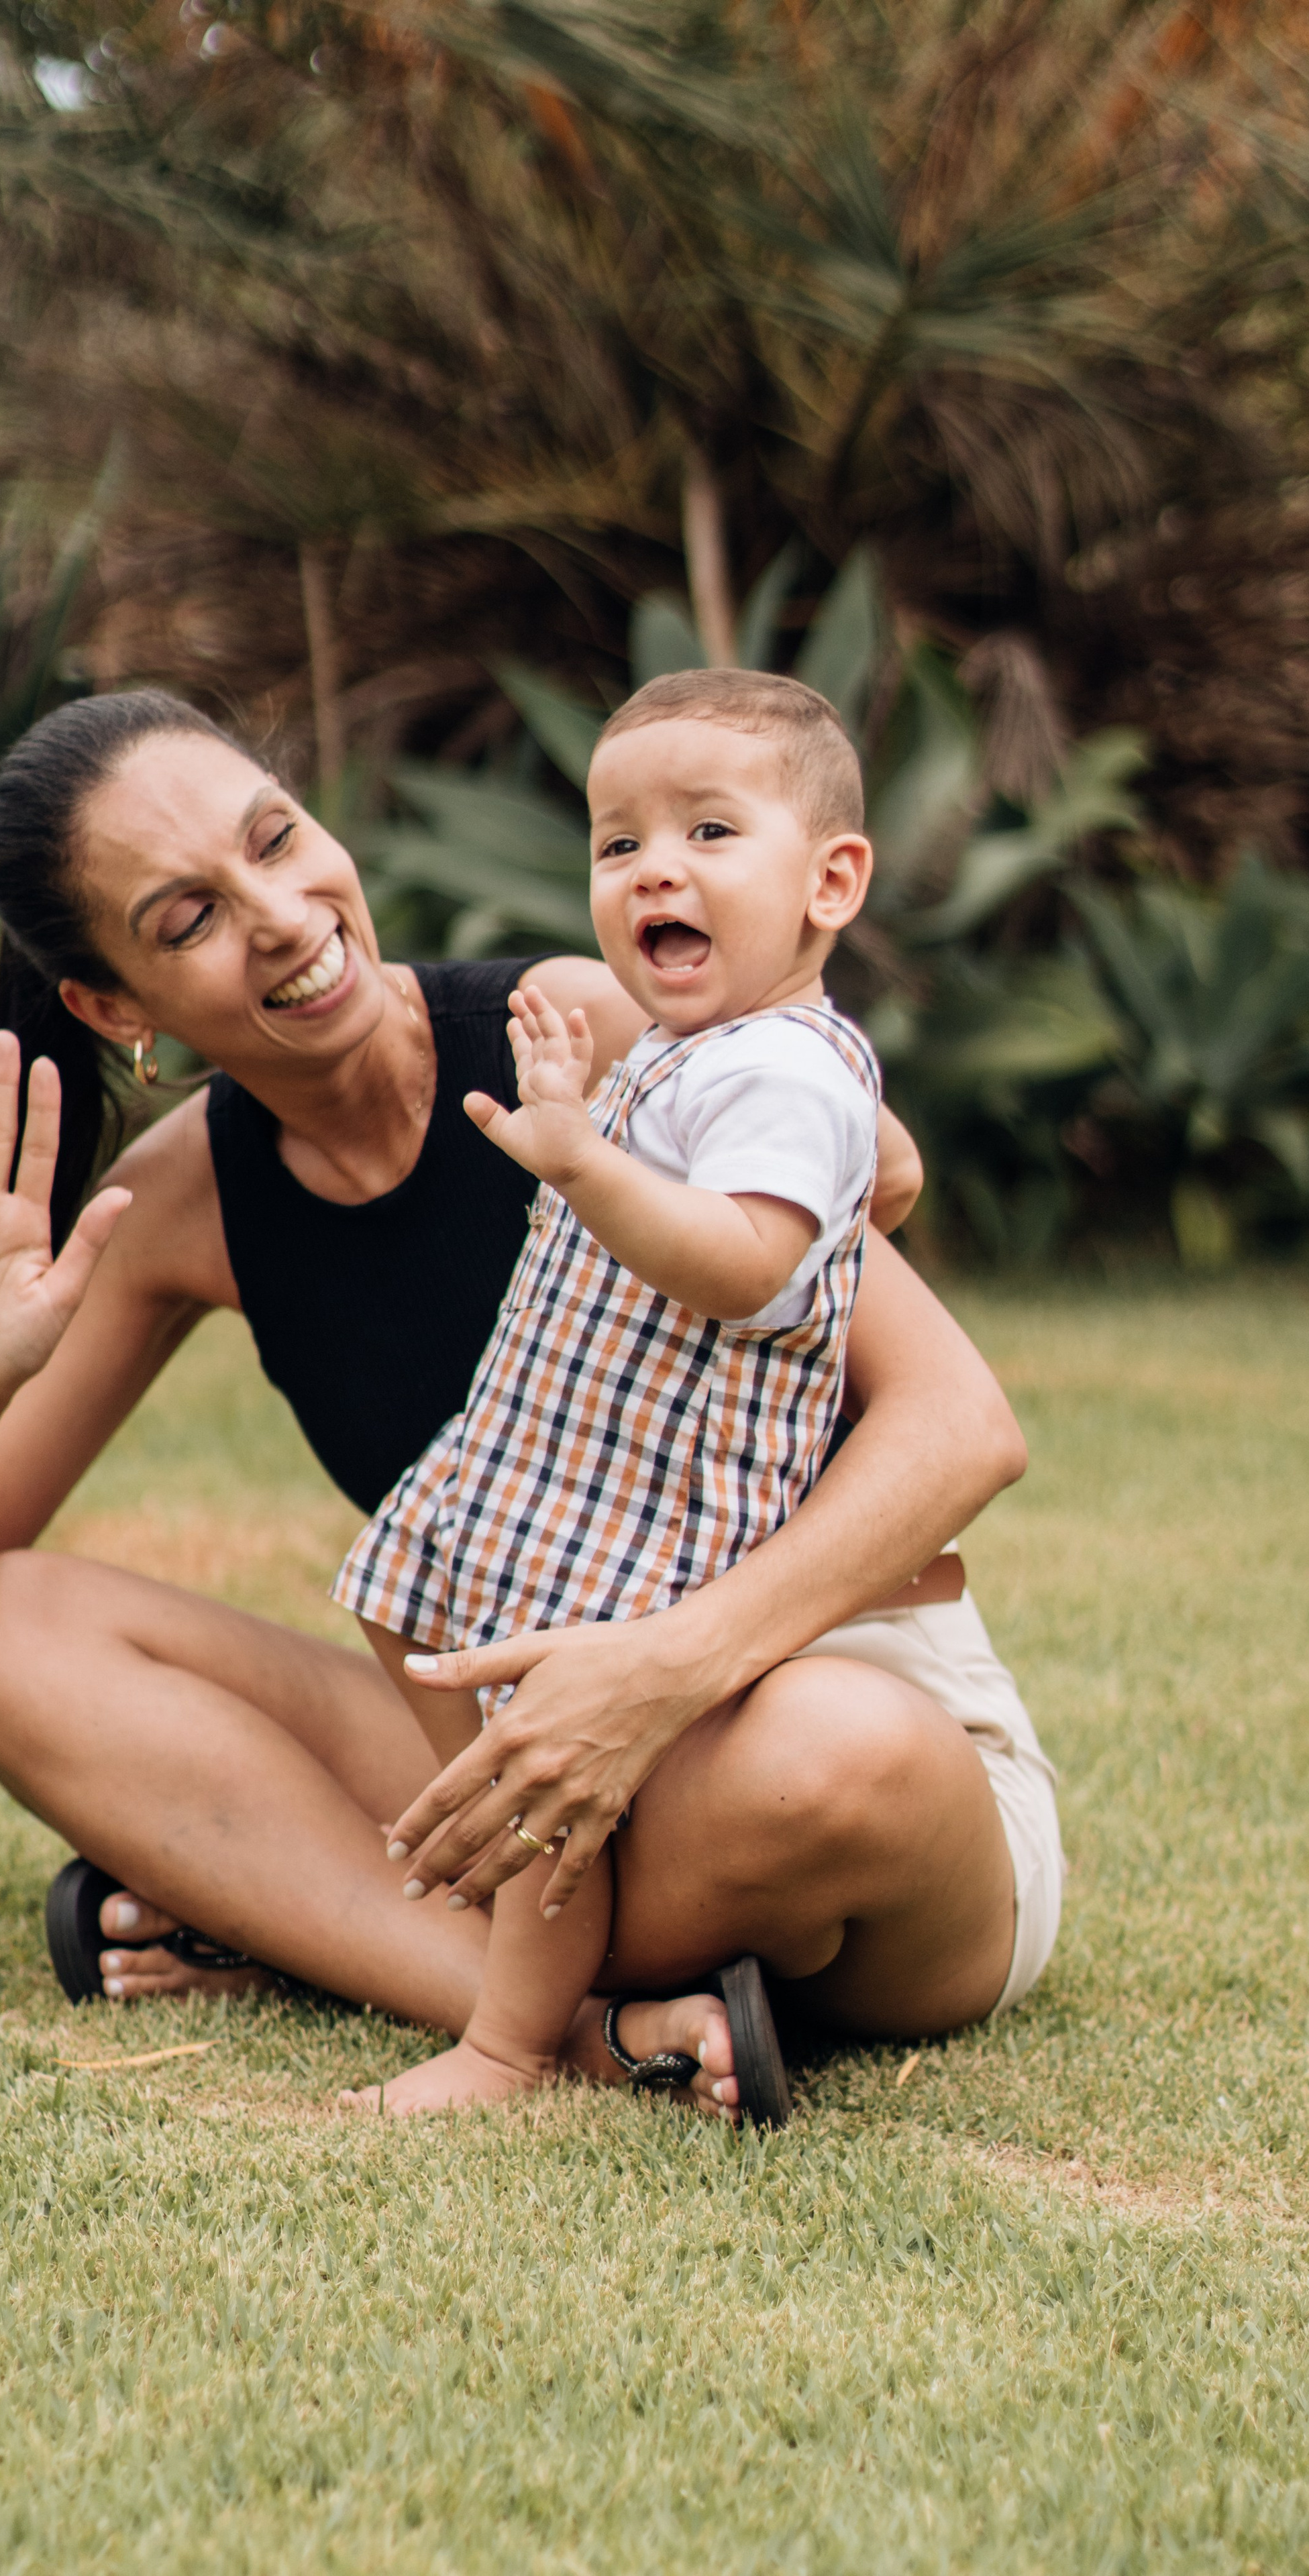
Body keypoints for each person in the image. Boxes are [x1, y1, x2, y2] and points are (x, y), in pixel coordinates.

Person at [0, 688, 1063, 2123]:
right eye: (187, 920)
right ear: (117, 1010)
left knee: (826, 1758)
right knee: (6, 1633)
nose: (286, 916)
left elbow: (956, 1422)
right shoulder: (185, 1200)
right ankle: (589, 2033)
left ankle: (311, 1925)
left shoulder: (587, 1030)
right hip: (529, 1771)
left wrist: (661, 1674)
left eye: (277, 840)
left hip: (811, 1721)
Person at [334, 670, 887, 2115]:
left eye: (708, 832)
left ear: (830, 882)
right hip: (557, 1468)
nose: (652, 868)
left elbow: (748, 1265)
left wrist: (580, 1155)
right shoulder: (696, 1053)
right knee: (405, 1611)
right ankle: (535, 1885)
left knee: (528, 1763)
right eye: (616, 842)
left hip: (647, 1510)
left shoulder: (787, 1075)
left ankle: (509, 2044)